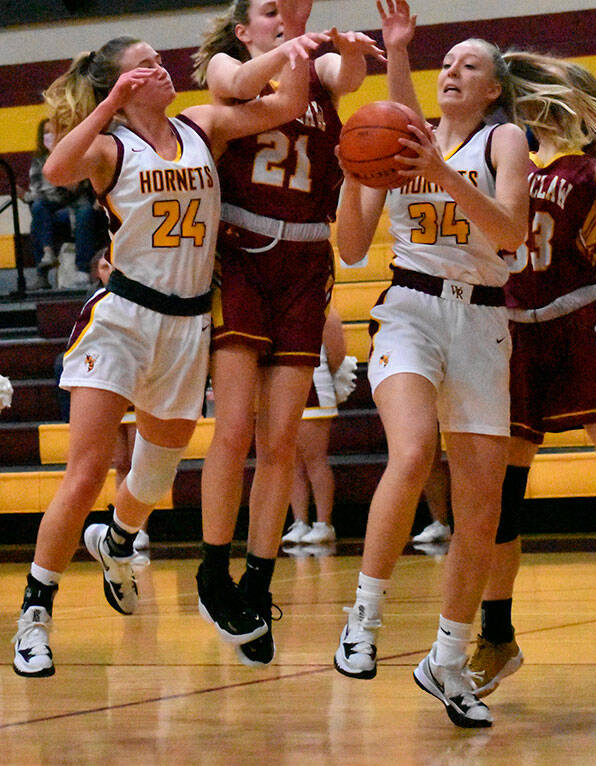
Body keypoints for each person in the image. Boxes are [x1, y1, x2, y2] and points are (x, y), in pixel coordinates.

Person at [11, 26, 326, 677]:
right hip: (123, 319)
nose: (161, 69)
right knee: (87, 470)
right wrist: (107, 103)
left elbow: (285, 109)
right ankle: (35, 615)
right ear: (122, 86)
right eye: (145, 66)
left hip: (186, 331)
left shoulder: (200, 125)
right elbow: (55, 170)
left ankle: (119, 538)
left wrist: (294, 47)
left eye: (158, 61)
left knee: (151, 481)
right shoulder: (108, 147)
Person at [332, 0, 530, 729]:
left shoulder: (504, 140)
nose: (452, 71)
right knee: (413, 450)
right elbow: (352, 250)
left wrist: (442, 175)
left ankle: (448, 660)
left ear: (491, 91)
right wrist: (356, 175)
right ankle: (364, 618)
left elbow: (509, 233)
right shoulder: (398, 140)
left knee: (480, 508)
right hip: (410, 308)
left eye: (467, 65)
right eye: (445, 64)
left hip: (481, 318)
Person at [191, 0, 384, 669]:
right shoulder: (229, 68)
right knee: (236, 427)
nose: (282, 15)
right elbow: (252, 84)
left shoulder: (320, 72)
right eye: (268, 10)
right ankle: (212, 570)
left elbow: (348, 77)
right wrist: (295, 41)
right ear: (246, 30)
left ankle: (258, 578)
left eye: (287, 8)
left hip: (305, 262)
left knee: (280, 440)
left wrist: (354, 53)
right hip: (241, 254)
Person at [468, 55, 596, 700]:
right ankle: (498, 635)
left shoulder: (588, 166)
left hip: (577, 328)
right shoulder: (505, 155)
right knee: (500, 504)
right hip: (510, 334)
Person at [281, 305, 357, 546]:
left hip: (316, 385)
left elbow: (337, 354)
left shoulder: (325, 308)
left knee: (314, 458)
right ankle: (300, 522)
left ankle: (324, 523)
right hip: (286, 387)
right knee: (292, 461)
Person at [20, 118, 103, 290]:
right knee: (38, 209)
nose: (49, 136)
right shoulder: (38, 161)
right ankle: (47, 256)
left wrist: (58, 161)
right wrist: (24, 195)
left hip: (77, 206)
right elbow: (38, 193)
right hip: (53, 209)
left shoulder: (75, 156)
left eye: (52, 132)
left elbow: (73, 188)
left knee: (85, 211)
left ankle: (82, 269)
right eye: (45, 133)